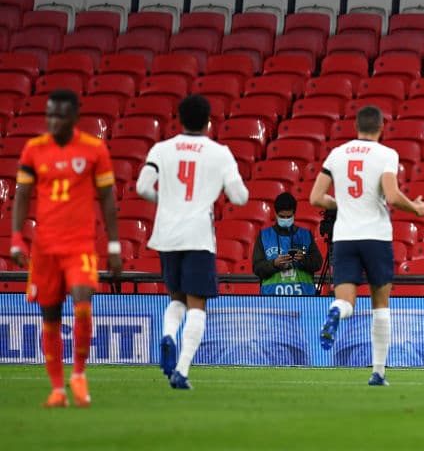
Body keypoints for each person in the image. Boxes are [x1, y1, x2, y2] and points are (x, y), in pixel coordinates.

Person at [10, 89, 121, 408]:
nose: (52, 121)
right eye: (49, 115)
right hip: (45, 249)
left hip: (80, 245)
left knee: (83, 302)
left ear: (74, 117)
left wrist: (113, 244)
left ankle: (79, 375)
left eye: (58, 115)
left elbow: (108, 200)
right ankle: (57, 390)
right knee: (50, 317)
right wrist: (17, 238)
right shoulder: (34, 149)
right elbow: (21, 195)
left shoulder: (93, 149)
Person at [136, 95, 249, 390]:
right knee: (197, 305)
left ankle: (169, 335)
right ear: (209, 121)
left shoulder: (161, 149)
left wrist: (167, 201)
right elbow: (239, 197)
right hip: (198, 234)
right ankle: (182, 370)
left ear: (179, 119)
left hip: (167, 233)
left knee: (176, 299)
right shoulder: (219, 152)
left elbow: (142, 187)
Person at [311, 105, 424, 386]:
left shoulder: (337, 154)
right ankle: (378, 372)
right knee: (380, 304)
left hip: (345, 237)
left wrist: (343, 204)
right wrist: (416, 208)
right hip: (375, 236)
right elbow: (392, 195)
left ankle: (337, 310)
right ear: (381, 127)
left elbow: (316, 198)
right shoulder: (386, 154)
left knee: (346, 300)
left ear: (357, 126)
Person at [252, 192, 323, 295]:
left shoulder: (305, 235)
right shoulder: (264, 236)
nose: (285, 220)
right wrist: (274, 264)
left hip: (304, 299)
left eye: (289, 216)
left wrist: (304, 259)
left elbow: (318, 263)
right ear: (275, 214)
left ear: (294, 213)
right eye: (282, 216)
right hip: (271, 300)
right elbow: (257, 268)